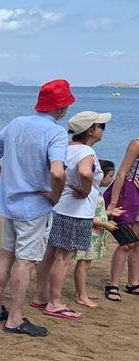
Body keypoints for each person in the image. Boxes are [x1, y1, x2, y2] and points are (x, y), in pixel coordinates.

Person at [0, 79, 73, 337]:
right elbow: (57, 172)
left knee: (6, 253)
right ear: (62, 108)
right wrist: (55, 196)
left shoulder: (17, 123)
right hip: (33, 207)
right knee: (26, 260)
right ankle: (15, 319)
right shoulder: (56, 133)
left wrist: (5, 181)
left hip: (9, 203)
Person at [34, 111, 112, 321]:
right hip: (76, 212)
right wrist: (86, 190)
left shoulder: (65, 147)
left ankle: (41, 296)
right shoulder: (86, 151)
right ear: (91, 130)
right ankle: (54, 302)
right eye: (100, 126)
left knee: (50, 254)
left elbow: (53, 171)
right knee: (64, 257)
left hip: (59, 207)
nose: (103, 130)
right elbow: (86, 173)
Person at [74, 159, 118, 308]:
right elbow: (89, 217)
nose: (112, 179)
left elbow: (97, 213)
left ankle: (81, 291)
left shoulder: (96, 192)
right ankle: (81, 295)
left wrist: (109, 214)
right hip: (88, 233)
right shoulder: (91, 192)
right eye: (110, 175)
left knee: (87, 264)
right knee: (83, 264)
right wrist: (106, 224)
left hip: (95, 234)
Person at [103, 132, 139, 301]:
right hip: (130, 196)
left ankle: (133, 282)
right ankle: (113, 284)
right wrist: (113, 202)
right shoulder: (136, 144)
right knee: (127, 242)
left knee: (137, 244)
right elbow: (121, 173)